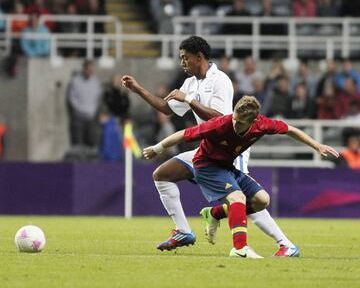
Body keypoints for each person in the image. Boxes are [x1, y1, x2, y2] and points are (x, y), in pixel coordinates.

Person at [122, 36, 299, 256]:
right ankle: (184, 231)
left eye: (185, 58)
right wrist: (138, 89)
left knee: (245, 198)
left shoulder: (220, 80)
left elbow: (221, 119)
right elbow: (167, 109)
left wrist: (189, 100)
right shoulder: (191, 83)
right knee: (162, 175)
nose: (182, 62)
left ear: (200, 56)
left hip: (232, 148)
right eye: (180, 58)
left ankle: (285, 244)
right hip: (207, 149)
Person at [143, 96, 339, 258]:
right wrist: (157, 148)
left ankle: (215, 213)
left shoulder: (262, 124)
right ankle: (240, 248)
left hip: (227, 167)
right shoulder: (220, 124)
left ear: (254, 122)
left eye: (239, 122)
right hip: (206, 166)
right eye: (234, 118)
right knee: (238, 198)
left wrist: (317, 146)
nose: (234, 123)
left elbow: (290, 130)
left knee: (262, 201)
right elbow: (183, 134)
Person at [67, 59, 102, 148]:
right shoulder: (75, 81)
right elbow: (72, 98)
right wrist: (79, 110)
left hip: (91, 117)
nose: (90, 71)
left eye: (92, 70)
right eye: (88, 69)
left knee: (91, 143)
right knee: (78, 143)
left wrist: (93, 111)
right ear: (84, 69)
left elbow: (97, 98)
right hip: (79, 118)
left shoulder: (95, 82)